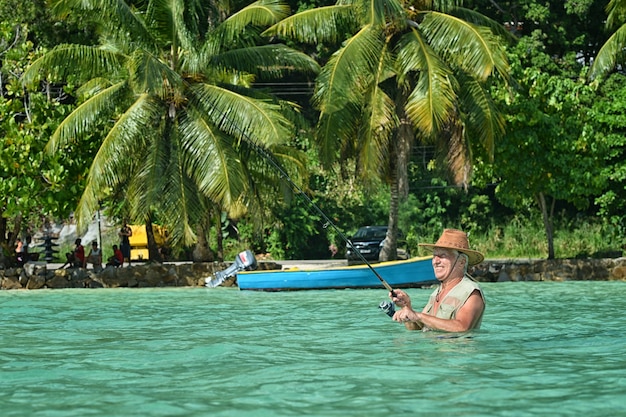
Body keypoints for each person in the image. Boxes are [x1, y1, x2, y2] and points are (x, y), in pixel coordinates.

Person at [389, 229, 485, 332]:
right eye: (434, 256)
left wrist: (418, 316)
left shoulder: (472, 293)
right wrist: (406, 307)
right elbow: (416, 328)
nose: (436, 261)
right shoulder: (436, 293)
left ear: (462, 262)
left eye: (443, 255)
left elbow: (462, 327)